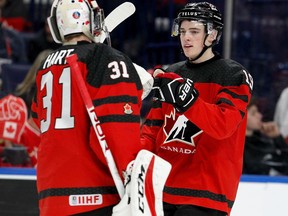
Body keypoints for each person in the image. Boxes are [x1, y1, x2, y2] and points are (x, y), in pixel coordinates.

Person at [31, 0, 144, 215]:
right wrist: (131, 175)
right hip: (94, 193)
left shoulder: (46, 65)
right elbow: (116, 129)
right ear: (92, 20)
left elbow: (37, 118)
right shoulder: (106, 58)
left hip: (51, 194)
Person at [141, 2, 253, 216]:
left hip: (207, 193)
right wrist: (134, 157)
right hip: (163, 189)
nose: (186, 38)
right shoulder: (171, 73)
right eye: (183, 31)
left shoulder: (233, 75)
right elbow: (153, 130)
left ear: (212, 35)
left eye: (194, 31)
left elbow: (223, 126)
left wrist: (188, 101)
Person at [243, 97, 288, 175]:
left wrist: (277, 138)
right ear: (241, 116)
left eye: (258, 112)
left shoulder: (264, 143)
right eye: (253, 113)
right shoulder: (235, 147)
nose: (260, 116)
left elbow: (285, 166)